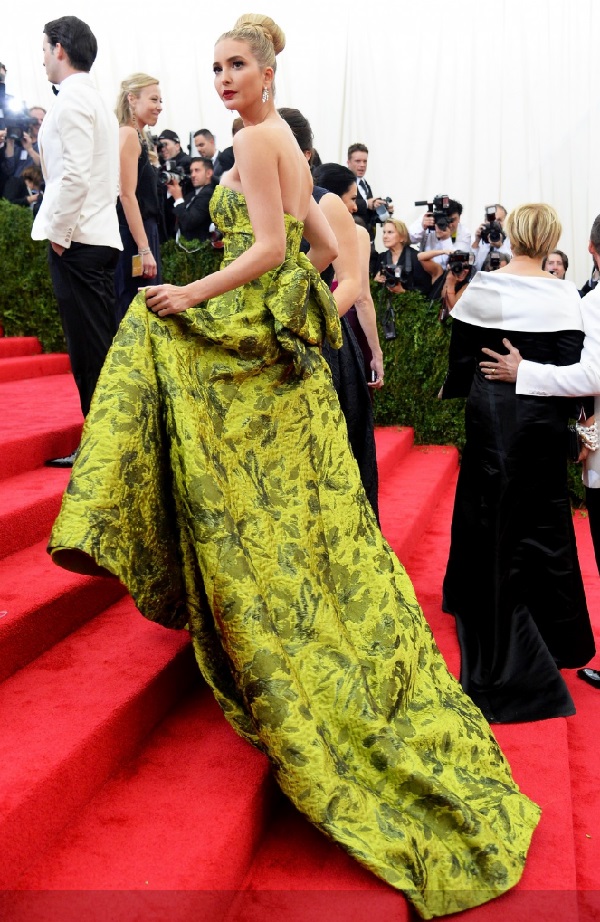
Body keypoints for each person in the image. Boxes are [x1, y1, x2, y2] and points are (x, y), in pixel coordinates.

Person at [48, 14, 540, 919]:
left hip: (264, 339)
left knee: (152, 337)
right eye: (215, 68)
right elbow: (326, 248)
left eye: (235, 65)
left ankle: (116, 521)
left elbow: (282, 249)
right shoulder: (272, 139)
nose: (222, 79)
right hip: (282, 351)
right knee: (294, 509)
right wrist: (308, 304)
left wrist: (198, 292)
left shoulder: (264, 135)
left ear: (268, 71)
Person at [440, 203, 595, 724]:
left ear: (513, 235)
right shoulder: (568, 295)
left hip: (494, 413)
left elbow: (462, 357)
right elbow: (575, 365)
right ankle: (554, 628)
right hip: (546, 419)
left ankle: (491, 605)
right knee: (545, 516)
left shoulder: (486, 287)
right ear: (550, 238)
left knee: (491, 509)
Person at [479, 212, 600, 690]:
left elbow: (592, 375)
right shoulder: (573, 298)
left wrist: (525, 372)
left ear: (590, 251)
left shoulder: (589, 303)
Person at [31, 15, 122, 466]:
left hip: (80, 239)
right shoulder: (95, 100)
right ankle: (109, 442)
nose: (43, 58)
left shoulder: (71, 102)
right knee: (97, 346)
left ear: (60, 49)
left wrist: (60, 236)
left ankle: (102, 448)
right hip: (98, 236)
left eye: (44, 49)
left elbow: (73, 176)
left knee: (90, 350)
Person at [114, 72, 163, 323]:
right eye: (154, 99)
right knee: (136, 307)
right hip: (135, 235)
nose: (159, 107)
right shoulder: (128, 134)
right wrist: (144, 248)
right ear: (132, 99)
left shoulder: (137, 135)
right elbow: (126, 195)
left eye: (160, 101)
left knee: (143, 305)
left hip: (141, 232)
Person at [374, 218, 432, 297]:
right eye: (384, 232)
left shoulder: (415, 258)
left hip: (410, 306)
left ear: (402, 237)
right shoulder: (381, 257)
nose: (385, 236)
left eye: (390, 232)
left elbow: (425, 289)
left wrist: (403, 292)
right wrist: (376, 281)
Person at [168, 156, 215, 242]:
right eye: (191, 171)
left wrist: (178, 198)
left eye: (197, 170)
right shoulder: (192, 193)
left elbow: (188, 222)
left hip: (197, 250)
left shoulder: (209, 194)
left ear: (208, 173)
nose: (192, 175)